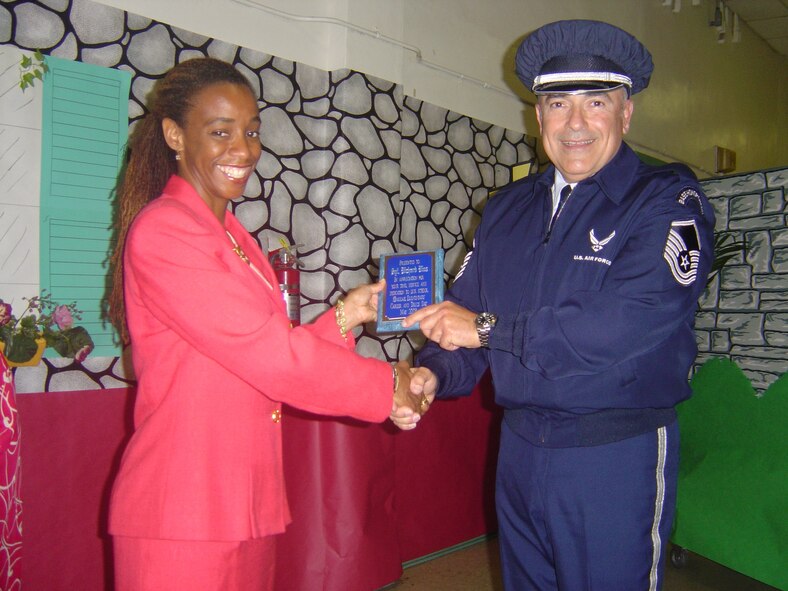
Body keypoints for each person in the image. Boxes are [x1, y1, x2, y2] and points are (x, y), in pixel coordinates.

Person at [398, 20, 716, 590]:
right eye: (557, 103)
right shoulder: (507, 210)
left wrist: (488, 330)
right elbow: (464, 320)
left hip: (614, 454)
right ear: (537, 115)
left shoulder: (667, 199)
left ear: (626, 112)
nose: (575, 123)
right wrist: (430, 374)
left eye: (596, 102)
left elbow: (625, 322)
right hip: (519, 452)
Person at [107, 57, 421, 591]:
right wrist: (386, 387)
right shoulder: (165, 231)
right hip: (184, 513)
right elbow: (271, 356)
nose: (244, 149)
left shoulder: (236, 237)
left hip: (242, 502)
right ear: (175, 136)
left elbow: (265, 351)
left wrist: (348, 312)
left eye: (251, 131)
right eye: (221, 131)